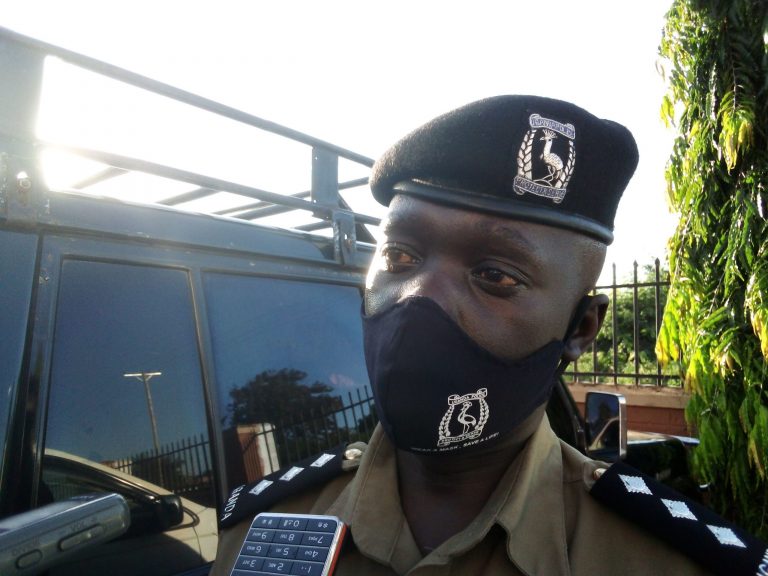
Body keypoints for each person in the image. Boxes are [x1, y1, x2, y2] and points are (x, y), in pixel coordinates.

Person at [210, 96, 767, 575]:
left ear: (580, 329)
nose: (418, 297)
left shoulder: (668, 559)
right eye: (399, 256)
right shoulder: (264, 526)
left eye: (495, 276)